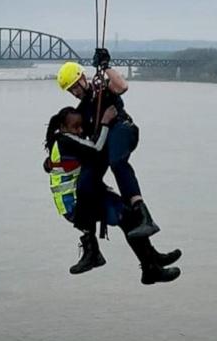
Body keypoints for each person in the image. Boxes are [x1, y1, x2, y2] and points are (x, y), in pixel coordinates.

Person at [43, 106, 181, 284]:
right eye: (75, 127)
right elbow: (96, 150)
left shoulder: (59, 141)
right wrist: (105, 123)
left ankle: (151, 261)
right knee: (128, 218)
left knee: (129, 218)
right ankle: (148, 266)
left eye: (81, 127)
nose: (80, 131)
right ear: (62, 127)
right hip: (77, 205)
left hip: (79, 200)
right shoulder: (66, 141)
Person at [55, 53, 159, 242]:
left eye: (74, 88)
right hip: (107, 142)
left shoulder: (101, 87)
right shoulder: (82, 110)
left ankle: (144, 214)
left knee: (117, 163)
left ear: (81, 78)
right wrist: (55, 162)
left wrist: (105, 66)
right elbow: (81, 140)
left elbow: (122, 86)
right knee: (86, 181)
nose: (74, 93)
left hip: (122, 129)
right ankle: (90, 241)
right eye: (70, 91)